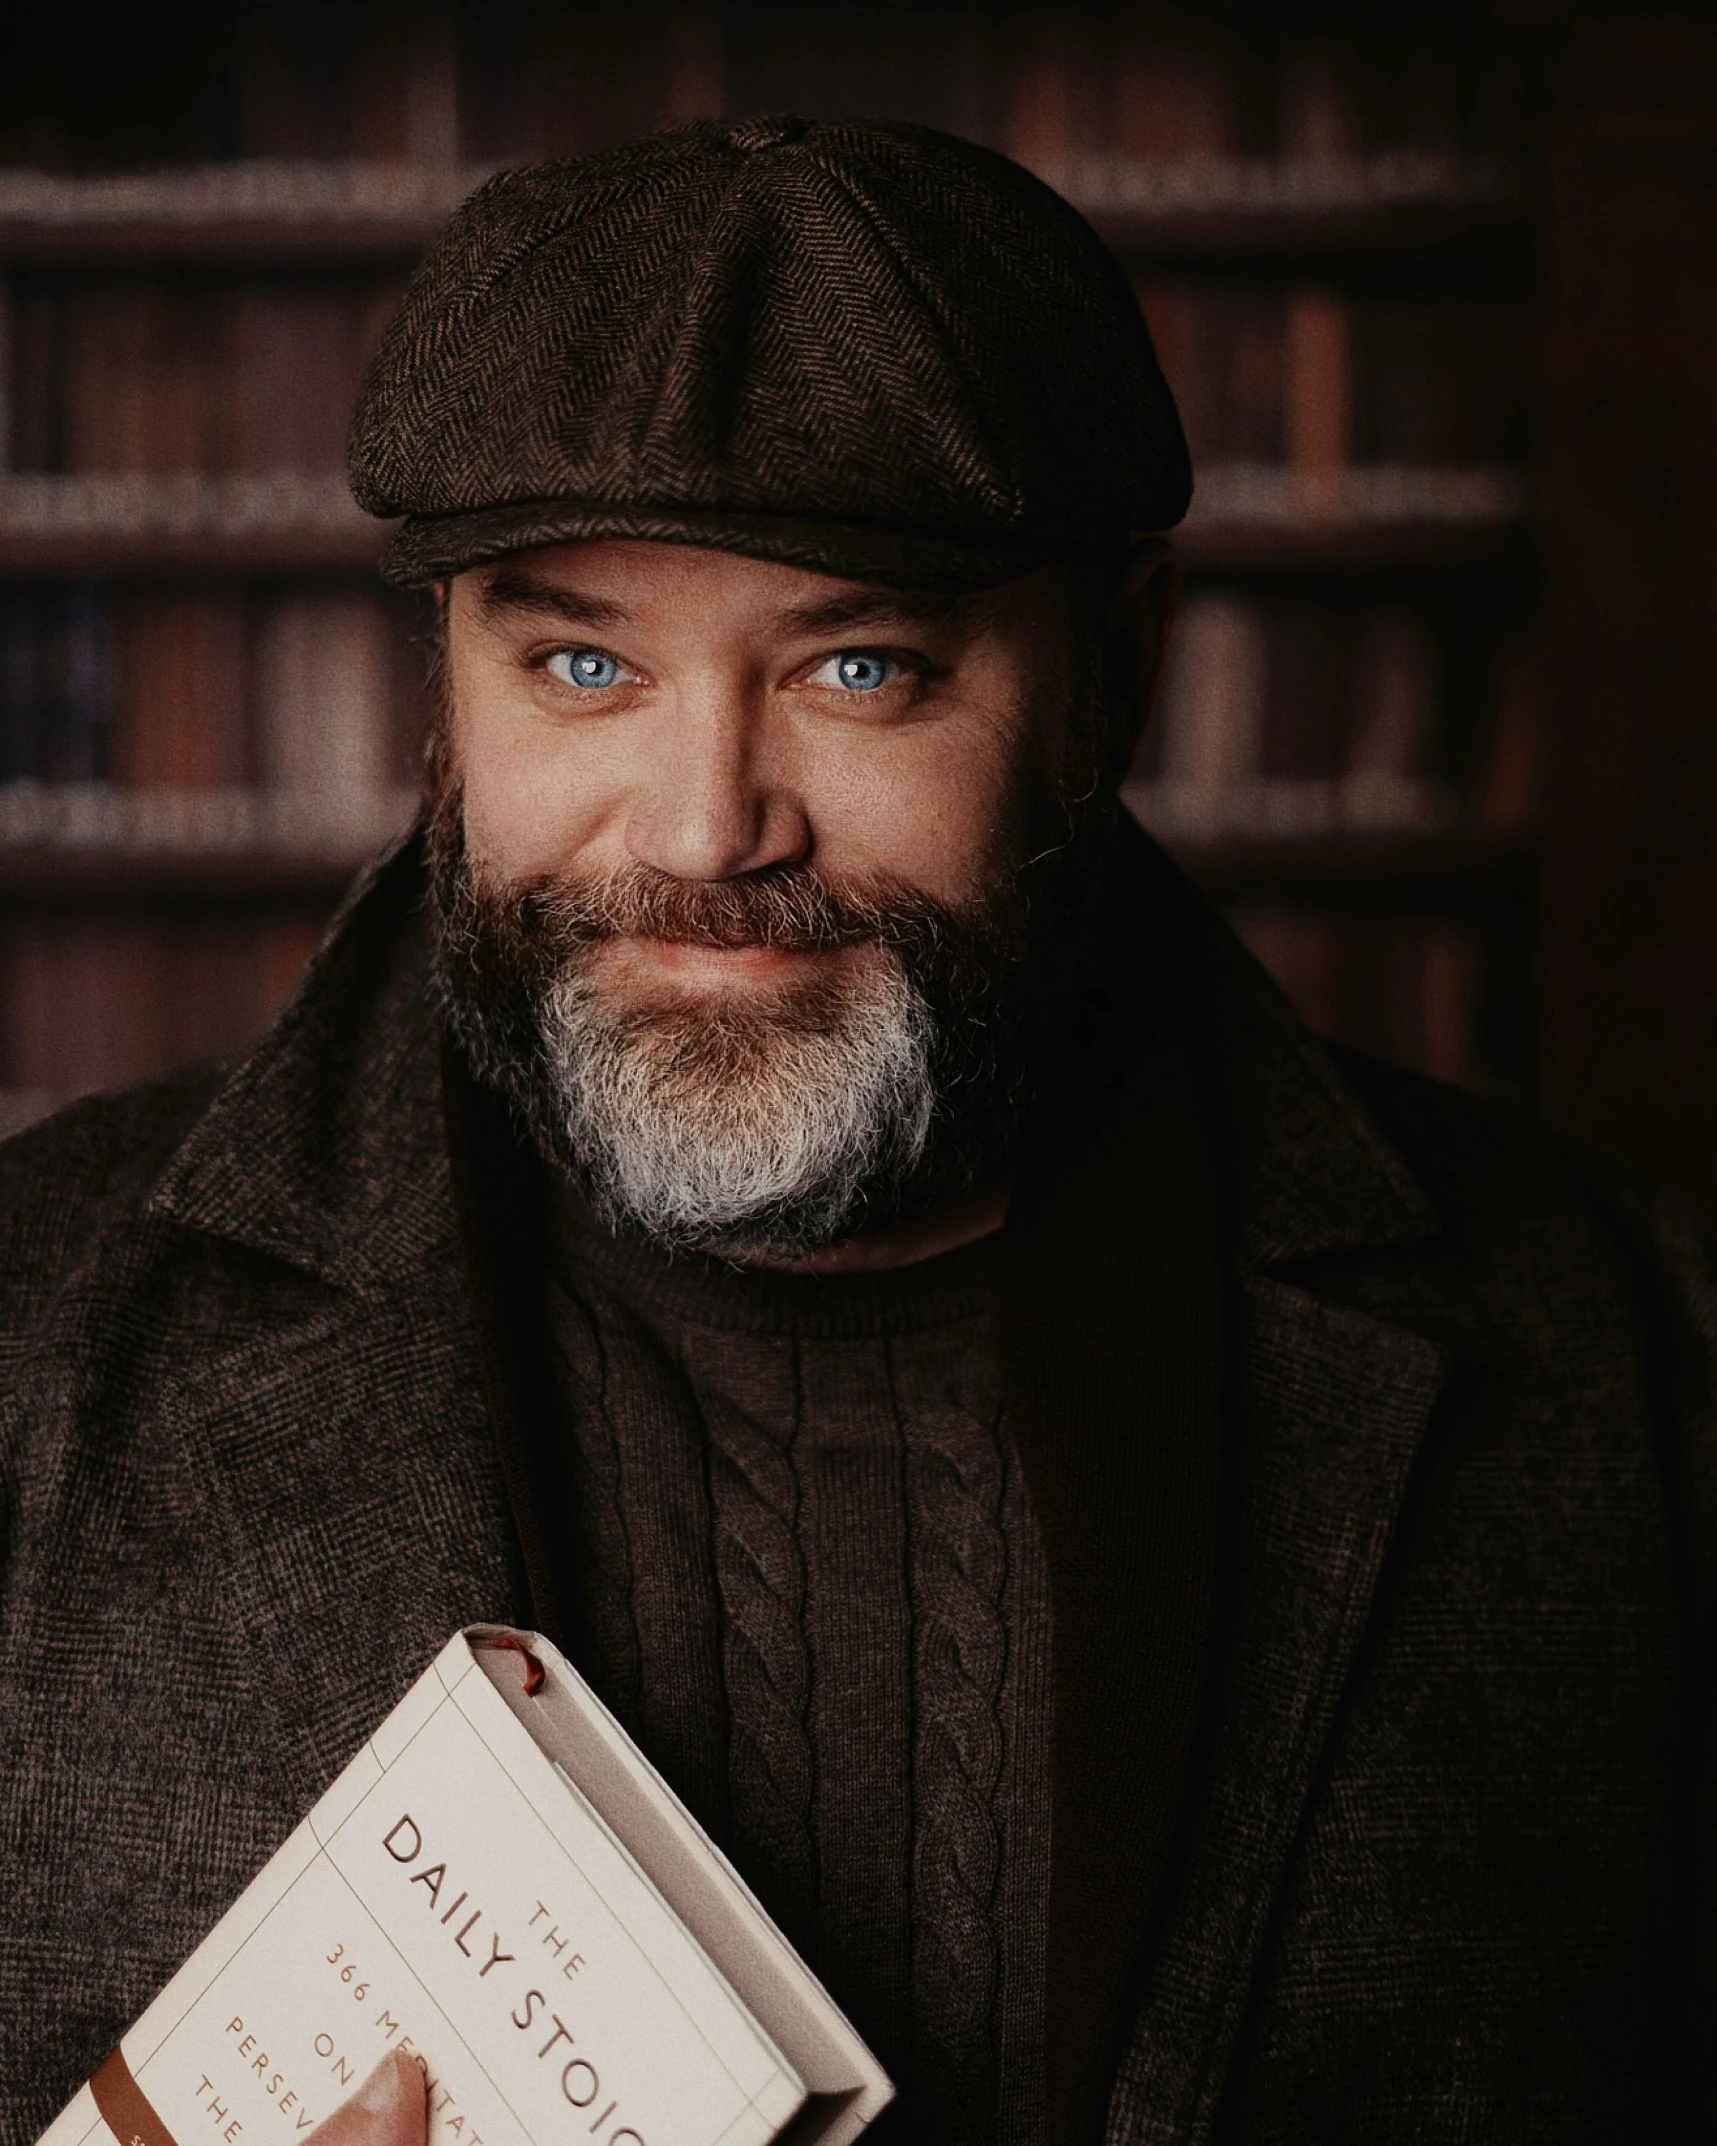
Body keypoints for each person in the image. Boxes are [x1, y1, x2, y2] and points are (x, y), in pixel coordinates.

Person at [1, 116, 1711, 2146]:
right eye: (579, 661)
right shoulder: (26, 1337)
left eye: (863, 664)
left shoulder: (1633, 1355)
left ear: (1118, 673)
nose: (711, 824)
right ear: (446, 688)